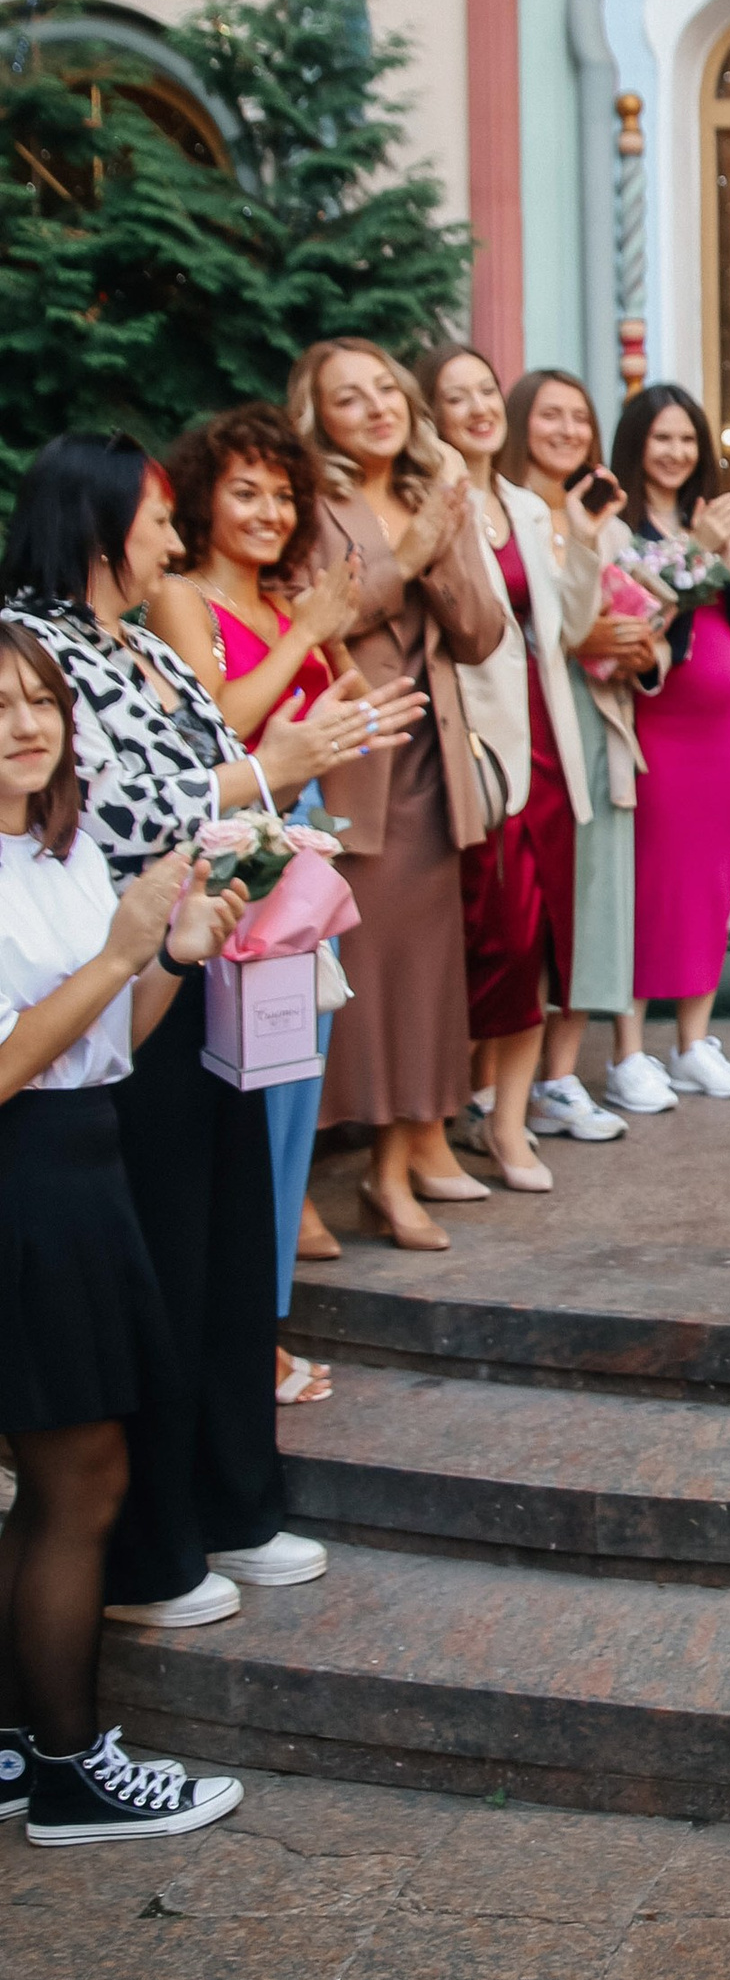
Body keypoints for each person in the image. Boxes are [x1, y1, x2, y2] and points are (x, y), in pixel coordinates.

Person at [0, 434, 402, 1628]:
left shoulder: (138, 641)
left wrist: (270, 776)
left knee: (233, 1242)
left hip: (214, 949)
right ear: (97, 520)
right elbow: (102, 799)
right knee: (170, 1254)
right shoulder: (42, 644)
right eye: (157, 517)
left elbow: (216, 754)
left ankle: (238, 1499)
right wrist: (271, 767)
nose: (171, 541)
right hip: (120, 976)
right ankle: (155, 1550)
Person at [0, 620, 253, 1843]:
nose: (26, 722)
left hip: (84, 1165)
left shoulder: (62, 851)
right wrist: (115, 954)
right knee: (76, 1479)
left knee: (65, 1481)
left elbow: (110, 1041)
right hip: (24, 1182)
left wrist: (168, 954)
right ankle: (69, 1767)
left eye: (40, 698)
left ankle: (19, 1737)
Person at [150, 402, 357, 1394]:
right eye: (247, 490)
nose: (270, 510)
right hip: (232, 857)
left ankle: (264, 1316)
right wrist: (305, 635)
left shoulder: (288, 607)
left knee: (293, 1094)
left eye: (284, 493)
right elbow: (218, 726)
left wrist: (341, 669)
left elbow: (323, 716)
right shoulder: (183, 598)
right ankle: (246, 1339)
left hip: (307, 848)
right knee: (247, 1092)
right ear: (201, 498)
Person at [286, 341, 507, 1253]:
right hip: (346, 763)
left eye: (386, 389)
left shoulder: (431, 496)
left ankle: (388, 1176)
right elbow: (314, 616)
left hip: (429, 768)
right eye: (350, 397)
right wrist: (405, 557)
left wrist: (444, 540)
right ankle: (292, 1183)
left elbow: (484, 633)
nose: (377, 407)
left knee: (418, 988)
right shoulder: (306, 502)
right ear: (318, 416)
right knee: (339, 987)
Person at [418, 342, 607, 1194]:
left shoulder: (530, 508)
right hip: (476, 745)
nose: (477, 407)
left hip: (547, 736)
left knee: (541, 941)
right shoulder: (433, 502)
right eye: (455, 398)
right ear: (434, 416)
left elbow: (567, 625)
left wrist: (586, 541)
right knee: (490, 933)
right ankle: (449, 1105)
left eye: (485, 390)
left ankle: (507, 1124)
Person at [499, 369, 661, 1142]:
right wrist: (583, 637)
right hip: (527, 728)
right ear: (520, 421)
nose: (565, 430)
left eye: (578, 418)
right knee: (523, 904)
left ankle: (559, 1075)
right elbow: (542, 626)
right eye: (549, 415)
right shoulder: (507, 515)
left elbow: (635, 628)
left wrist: (636, 651)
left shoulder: (610, 525)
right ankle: (496, 1086)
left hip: (601, 729)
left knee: (595, 900)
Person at [608, 380, 730, 1107]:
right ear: (637, 446)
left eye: (687, 439)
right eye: (662, 438)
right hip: (656, 722)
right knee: (647, 882)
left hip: (726, 729)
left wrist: (727, 558)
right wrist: (693, 554)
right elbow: (647, 626)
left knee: (711, 881)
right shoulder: (617, 526)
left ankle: (691, 1043)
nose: (676, 452)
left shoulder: (713, 517)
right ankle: (626, 1052)